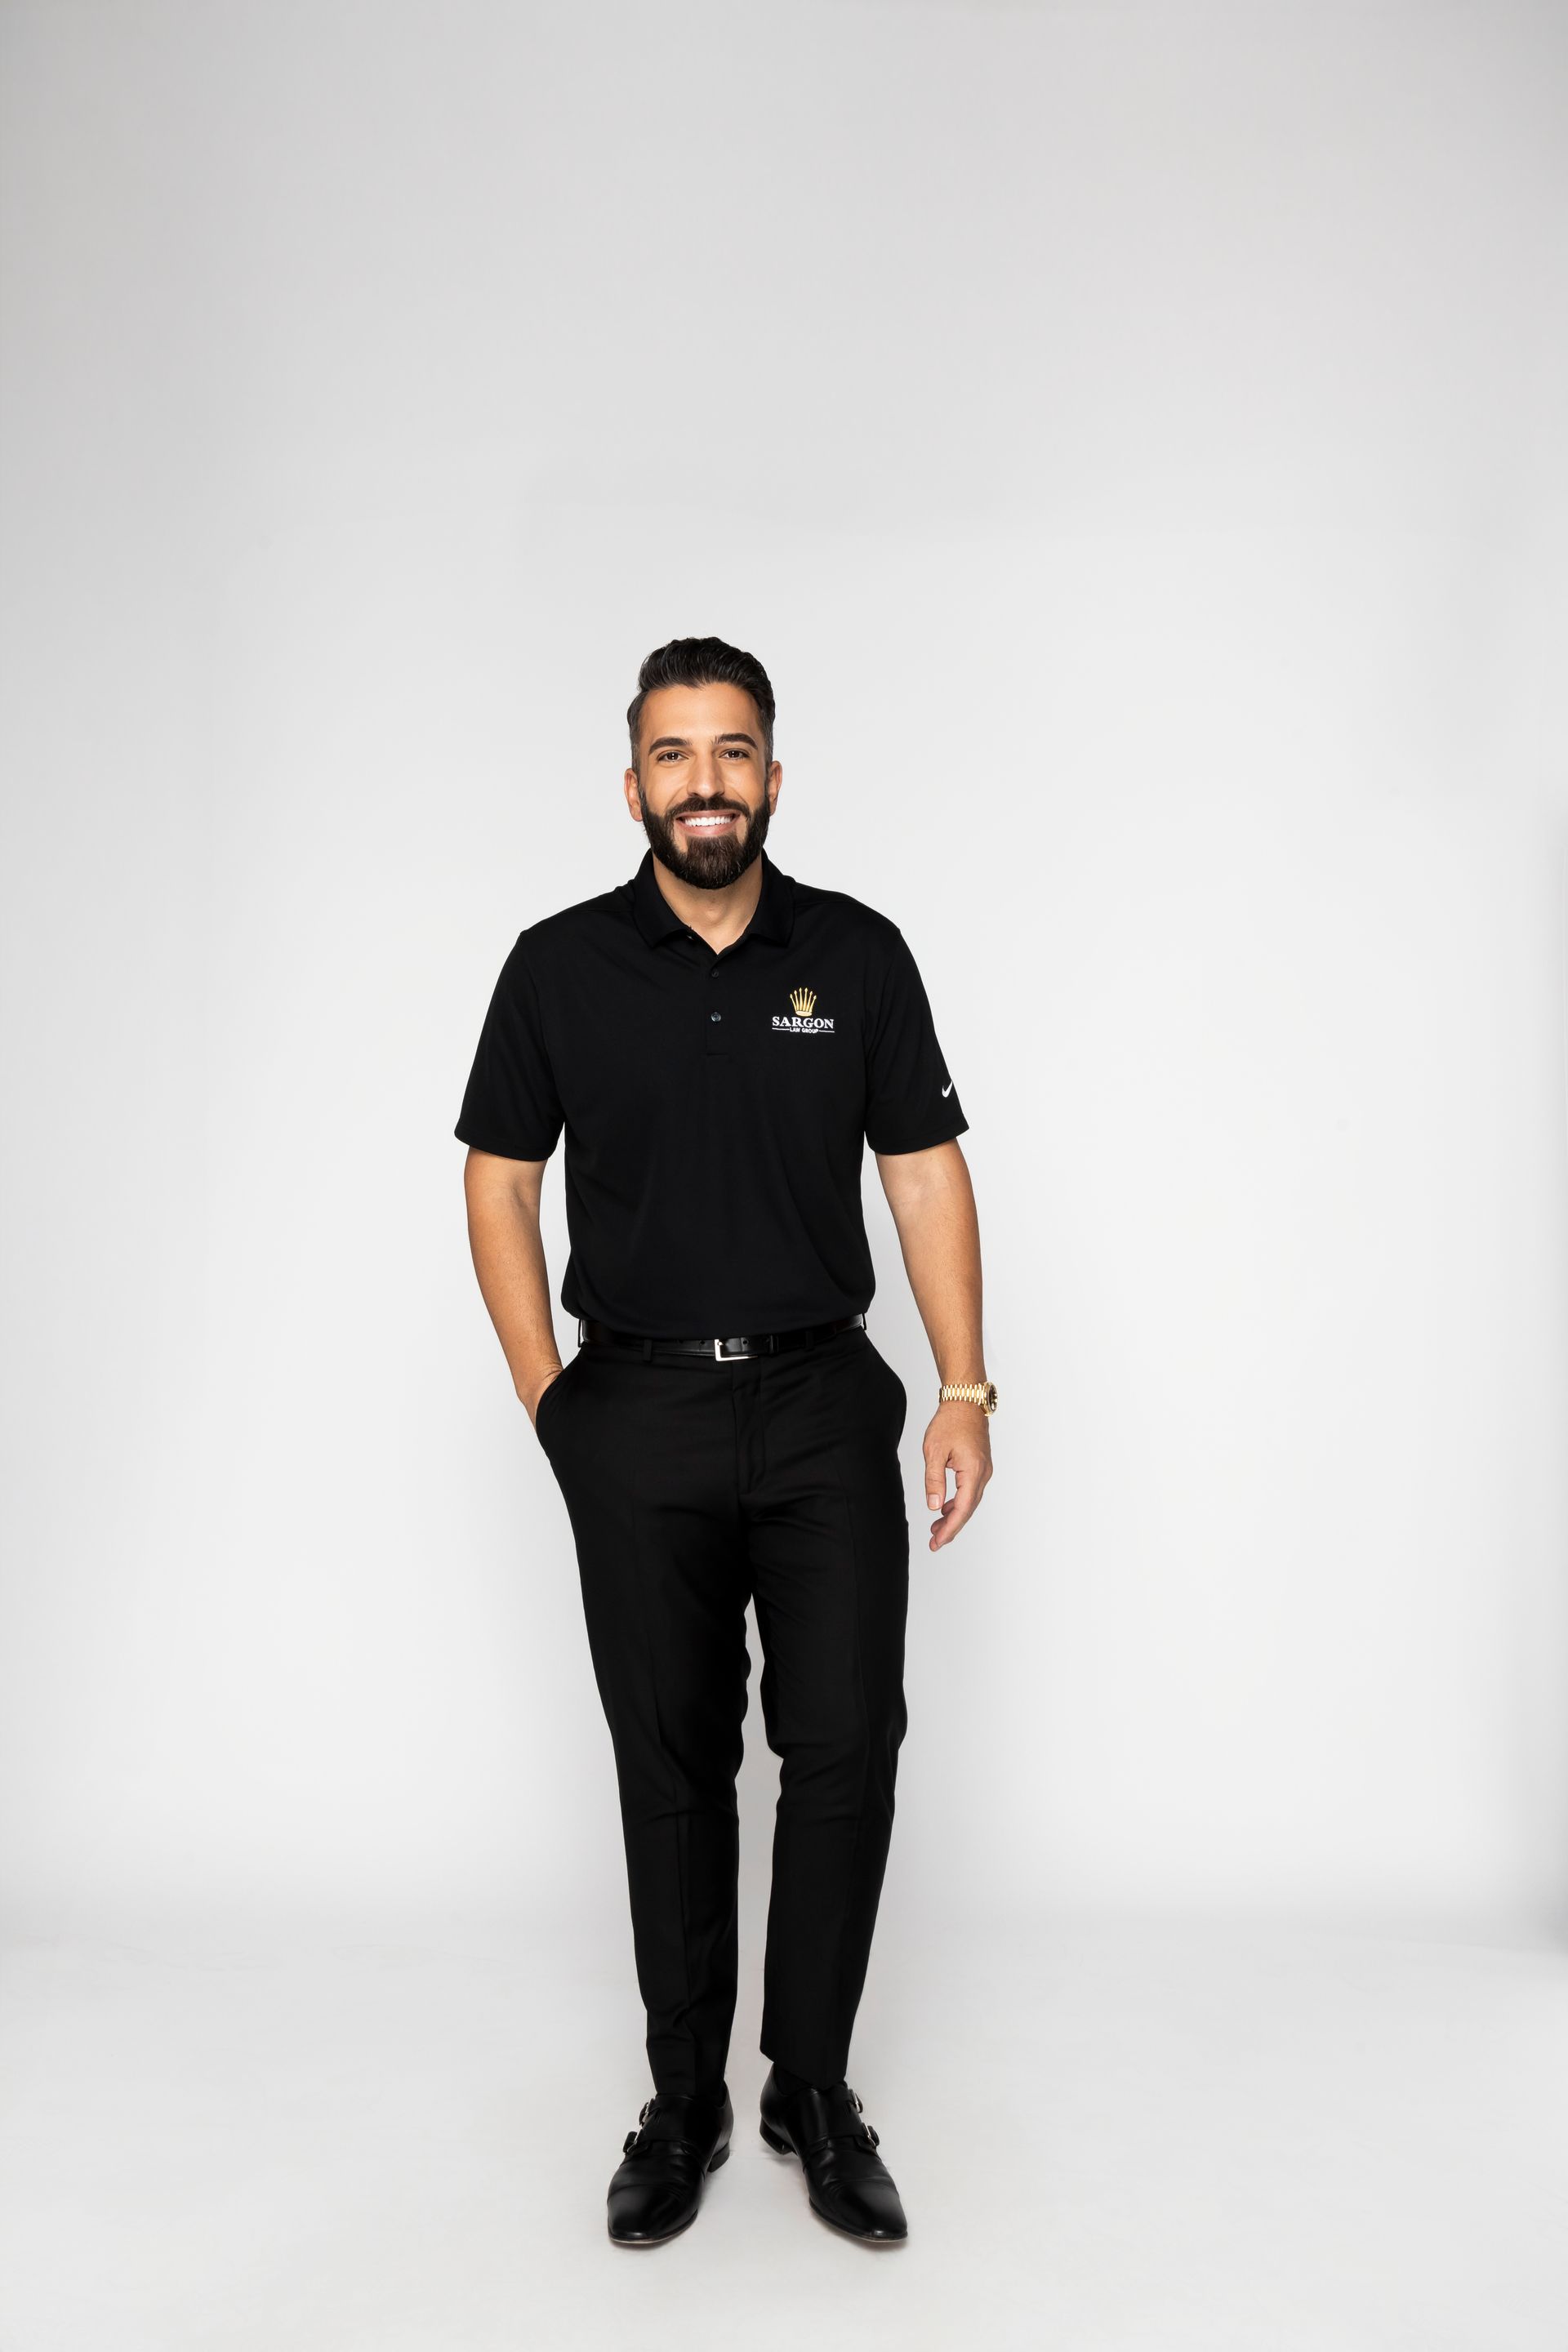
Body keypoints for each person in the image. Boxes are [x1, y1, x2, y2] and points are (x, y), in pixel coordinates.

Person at [455, 636, 996, 2246]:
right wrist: (552, 1397)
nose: (708, 782)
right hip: (635, 1410)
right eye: (677, 755)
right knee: (673, 1765)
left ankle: (809, 2090)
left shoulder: (859, 954)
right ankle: (680, 2102)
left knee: (846, 1750)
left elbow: (919, 1170)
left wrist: (964, 1386)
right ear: (633, 785)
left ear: (773, 775)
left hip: (825, 1404)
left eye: (735, 752)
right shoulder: (556, 967)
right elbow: (498, 1178)